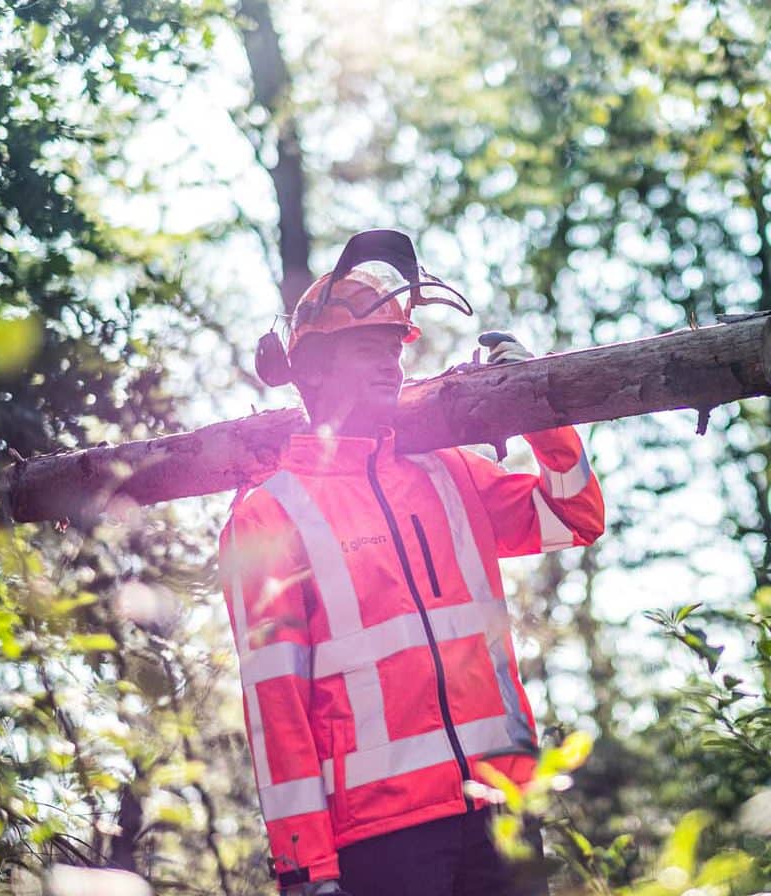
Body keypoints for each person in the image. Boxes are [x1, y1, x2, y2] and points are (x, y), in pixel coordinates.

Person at [218, 230, 604, 896]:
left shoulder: (450, 474)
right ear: (312, 370)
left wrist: (540, 407)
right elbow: (275, 709)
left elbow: (573, 519)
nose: (390, 368)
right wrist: (306, 869)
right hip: (378, 845)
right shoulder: (268, 518)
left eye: (394, 350)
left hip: (503, 812)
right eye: (368, 350)